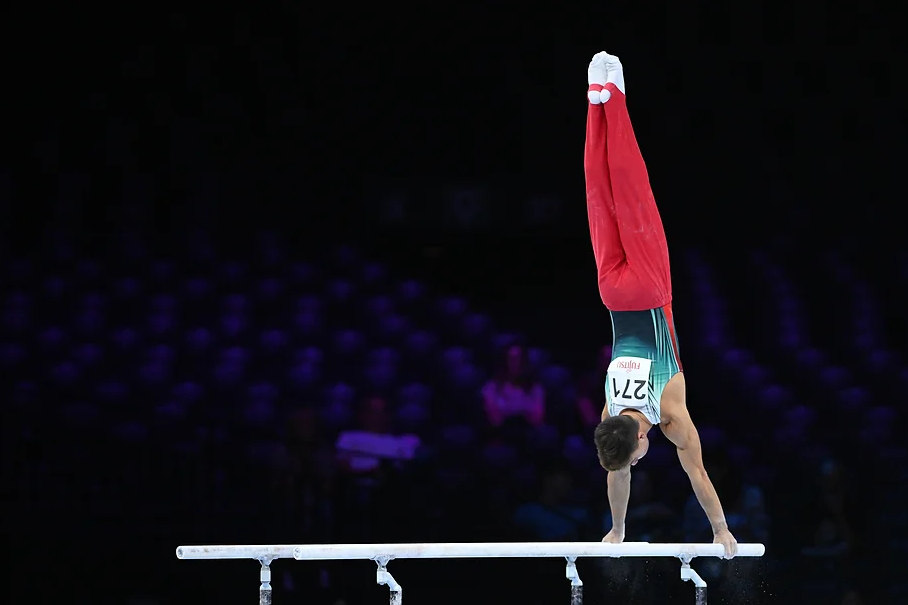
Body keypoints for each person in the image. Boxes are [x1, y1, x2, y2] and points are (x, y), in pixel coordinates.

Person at [584, 51, 738, 557]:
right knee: (600, 196)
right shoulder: (608, 414)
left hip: (650, 289)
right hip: (611, 293)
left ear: (641, 445)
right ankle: (596, 102)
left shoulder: (670, 415)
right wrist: (618, 530)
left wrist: (721, 529)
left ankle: (617, 98)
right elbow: (616, 469)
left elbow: (697, 473)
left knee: (632, 190)